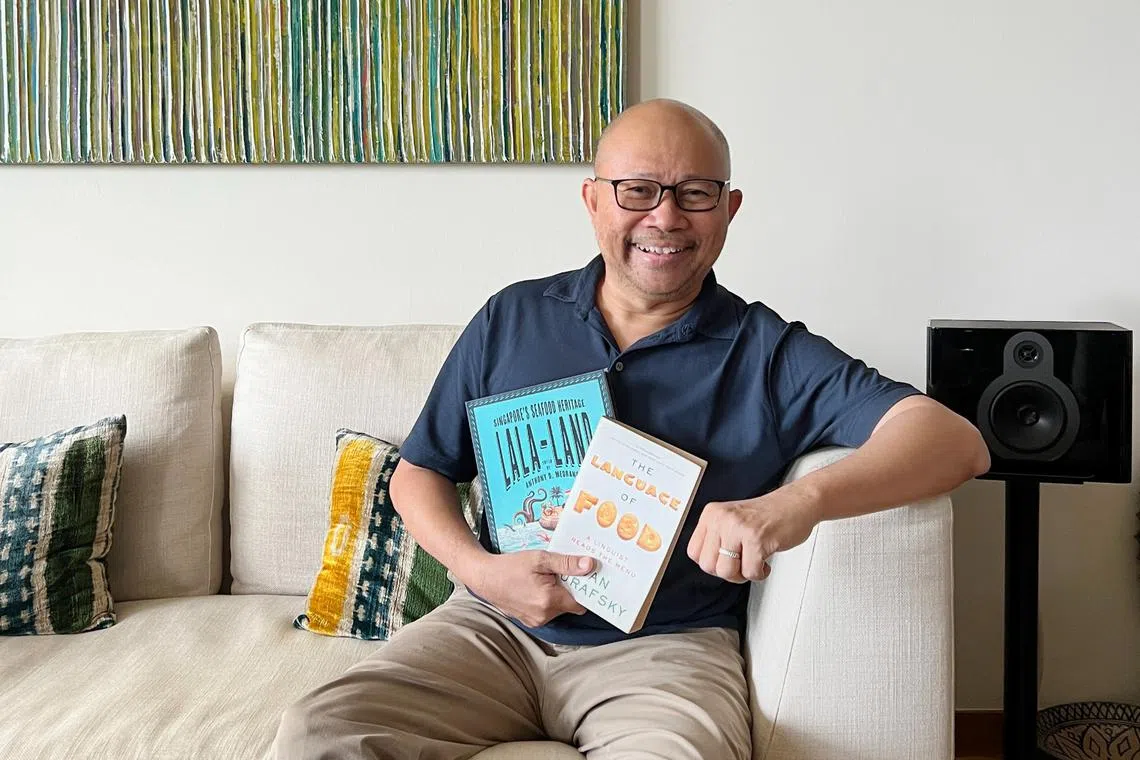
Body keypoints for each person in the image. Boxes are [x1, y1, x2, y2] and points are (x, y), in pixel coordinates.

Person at [273, 98, 989, 760]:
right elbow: (420, 472)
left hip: (666, 650)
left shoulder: (769, 352)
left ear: (730, 209)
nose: (666, 217)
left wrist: (793, 505)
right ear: (593, 201)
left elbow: (953, 440)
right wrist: (480, 569)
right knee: (317, 732)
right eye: (638, 189)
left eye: (695, 193)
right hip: (493, 627)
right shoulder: (512, 318)